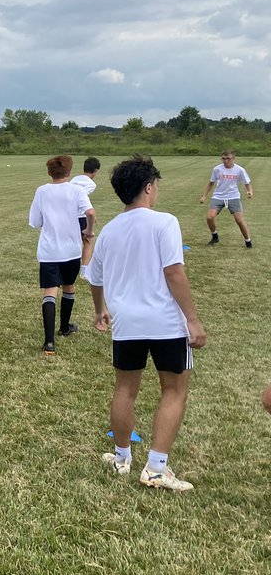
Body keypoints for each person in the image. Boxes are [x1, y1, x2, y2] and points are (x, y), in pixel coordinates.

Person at [88, 155, 207, 492]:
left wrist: (100, 311)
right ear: (149, 187)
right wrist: (193, 320)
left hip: (127, 324)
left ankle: (122, 457)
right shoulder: (164, 222)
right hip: (166, 323)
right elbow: (173, 271)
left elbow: (94, 278)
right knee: (174, 389)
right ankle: (156, 468)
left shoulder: (109, 230)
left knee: (125, 388)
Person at [28, 155, 94, 355]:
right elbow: (90, 213)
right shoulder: (77, 190)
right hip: (72, 250)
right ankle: (64, 328)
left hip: (49, 251)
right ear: (69, 172)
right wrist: (88, 231)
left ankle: (49, 343)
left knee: (50, 292)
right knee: (69, 287)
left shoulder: (42, 191)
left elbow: (35, 222)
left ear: (49, 172)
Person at [200, 150, 253, 248]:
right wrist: (204, 195)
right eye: (223, 158)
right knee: (210, 217)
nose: (225, 161)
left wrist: (249, 191)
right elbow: (211, 183)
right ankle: (215, 237)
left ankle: (248, 241)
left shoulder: (240, 170)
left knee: (239, 220)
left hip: (233, 197)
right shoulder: (217, 169)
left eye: (228, 158)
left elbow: (247, 183)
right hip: (218, 196)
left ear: (233, 158)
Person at [71, 157, 102, 266]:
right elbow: (82, 198)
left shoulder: (74, 179)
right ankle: (84, 269)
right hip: (81, 216)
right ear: (96, 171)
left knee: (73, 241)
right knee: (88, 241)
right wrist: (92, 214)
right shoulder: (91, 184)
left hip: (70, 215)